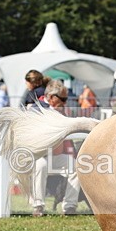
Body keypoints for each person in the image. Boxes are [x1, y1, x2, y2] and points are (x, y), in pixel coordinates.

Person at [30, 80, 81, 216]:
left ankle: (69, 207)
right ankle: (38, 206)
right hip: (38, 156)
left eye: (66, 99)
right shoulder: (37, 110)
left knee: (77, 167)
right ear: (51, 98)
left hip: (56, 155)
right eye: (62, 99)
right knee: (40, 166)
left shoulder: (63, 112)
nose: (65, 103)